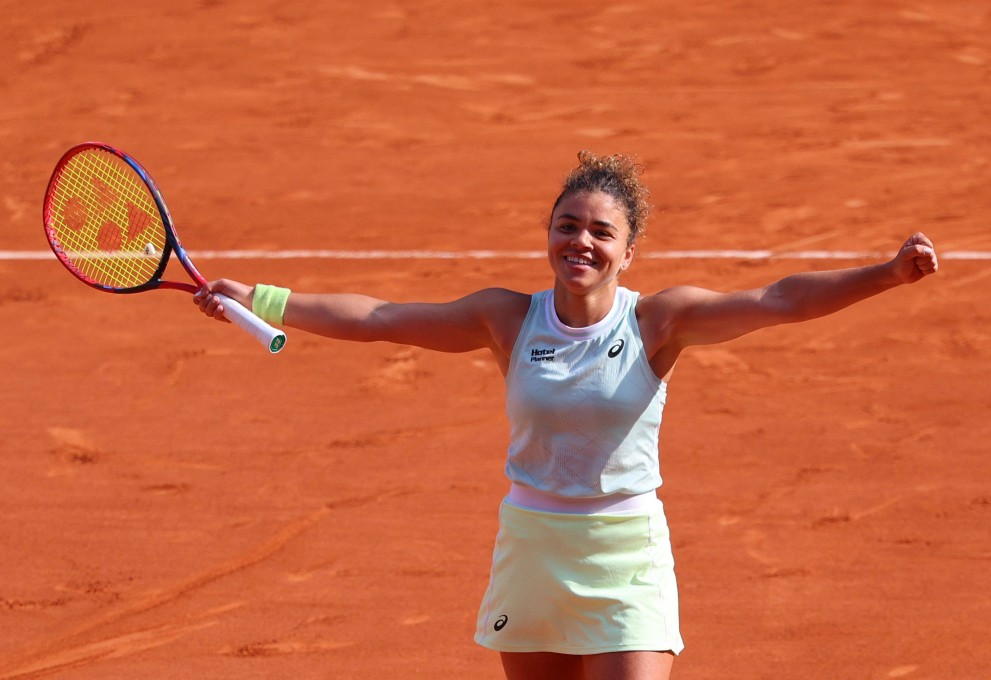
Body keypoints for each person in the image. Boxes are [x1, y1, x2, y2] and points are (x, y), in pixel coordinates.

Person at [194, 151, 939, 680]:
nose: (579, 241)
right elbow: (381, 317)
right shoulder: (506, 319)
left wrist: (887, 275)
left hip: (627, 554)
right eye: (566, 225)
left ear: (627, 250)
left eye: (599, 231)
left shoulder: (660, 321)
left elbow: (780, 301)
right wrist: (261, 299)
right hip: (534, 548)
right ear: (548, 234)